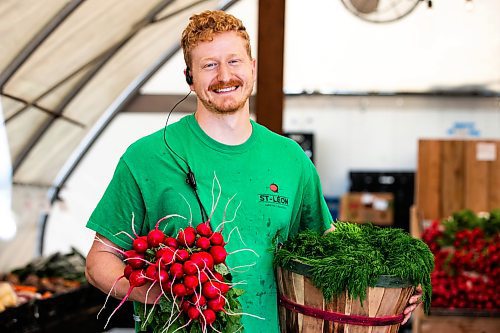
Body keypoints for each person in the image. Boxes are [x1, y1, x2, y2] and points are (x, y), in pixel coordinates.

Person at [85, 10, 421, 332]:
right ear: (189, 78)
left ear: (253, 68)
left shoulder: (291, 159)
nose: (224, 76)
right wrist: (161, 295)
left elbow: (327, 246)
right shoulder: (147, 156)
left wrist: (393, 283)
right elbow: (100, 260)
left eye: (234, 61)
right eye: (208, 65)